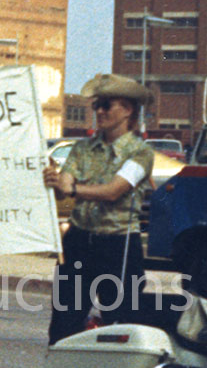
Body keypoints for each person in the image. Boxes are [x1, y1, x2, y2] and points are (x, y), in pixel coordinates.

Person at [43, 73, 155, 344]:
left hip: (118, 248)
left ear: (127, 110)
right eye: (96, 105)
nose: (99, 111)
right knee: (63, 325)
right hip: (79, 241)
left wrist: (71, 189)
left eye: (106, 105)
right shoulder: (82, 148)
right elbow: (65, 184)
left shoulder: (140, 153)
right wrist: (56, 182)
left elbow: (114, 190)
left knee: (120, 327)